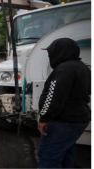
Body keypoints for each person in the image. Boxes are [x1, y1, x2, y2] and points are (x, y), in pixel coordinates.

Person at [37, 38, 91, 168]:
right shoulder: (83, 67)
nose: (51, 57)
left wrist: (44, 118)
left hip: (63, 121)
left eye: (51, 53)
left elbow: (54, 97)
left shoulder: (63, 70)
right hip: (78, 119)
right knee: (66, 153)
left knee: (48, 157)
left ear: (60, 52)